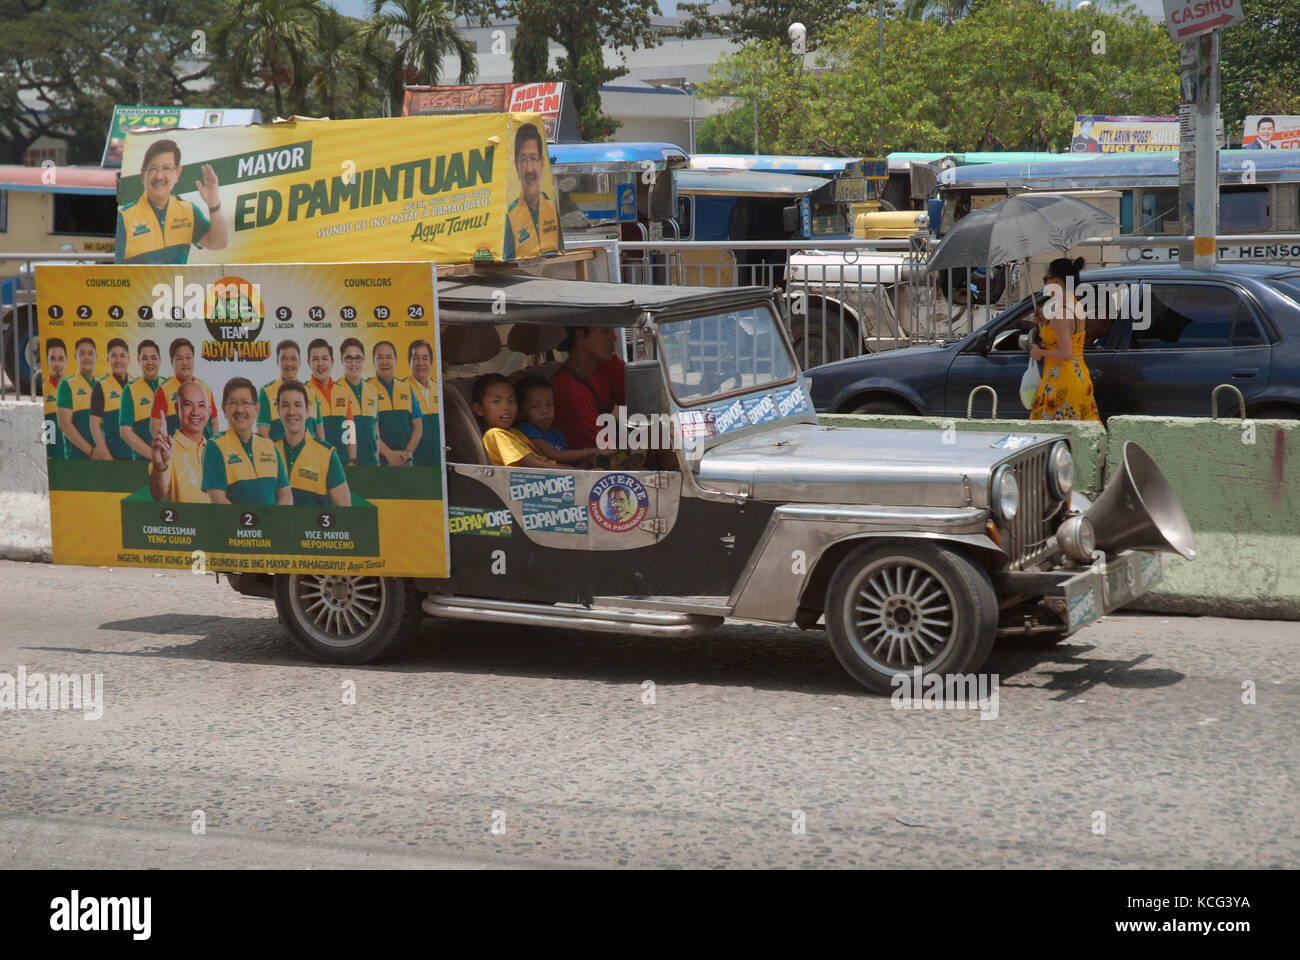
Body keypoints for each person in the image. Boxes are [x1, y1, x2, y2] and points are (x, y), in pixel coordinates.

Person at [116, 138, 227, 264]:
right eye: (153, 169)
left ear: (177, 173)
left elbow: (218, 243)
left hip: (177, 284)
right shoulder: (124, 218)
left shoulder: (188, 211)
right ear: (143, 174)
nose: (159, 176)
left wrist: (214, 205)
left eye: (166, 168)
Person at [1029, 256, 1101, 422]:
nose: (1045, 285)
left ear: (1058, 282)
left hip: (1063, 382)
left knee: (1056, 438)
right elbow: (1069, 335)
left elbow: (1065, 353)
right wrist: (1047, 322)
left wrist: (1039, 351)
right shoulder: (1075, 305)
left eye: (1046, 279)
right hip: (1079, 377)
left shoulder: (1062, 312)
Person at [202, 377, 292, 505]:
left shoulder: (269, 446)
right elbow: (218, 500)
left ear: (257, 409)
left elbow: (285, 493)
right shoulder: (215, 446)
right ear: (223, 409)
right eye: (233, 403)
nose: (239, 410)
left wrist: (274, 523)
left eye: (245, 402)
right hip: (234, 524)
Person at [273, 380, 351, 507]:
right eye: (285, 405)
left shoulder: (327, 454)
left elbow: (345, 508)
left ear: (308, 411)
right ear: (278, 411)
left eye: (298, 405)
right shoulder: (268, 452)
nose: (291, 412)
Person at [551, 326, 625, 454]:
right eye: (605, 331)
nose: (614, 337)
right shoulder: (568, 390)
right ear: (580, 336)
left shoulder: (607, 366)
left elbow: (643, 401)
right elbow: (604, 453)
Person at [502, 123, 561, 260]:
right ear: (517, 166)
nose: (529, 169)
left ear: (542, 163)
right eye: (524, 160)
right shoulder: (510, 218)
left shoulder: (553, 211)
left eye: (533, 159)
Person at [148, 379, 211, 503]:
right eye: (188, 404)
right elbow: (158, 494)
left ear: (209, 411)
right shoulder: (168, 449)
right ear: (178, 409)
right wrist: (161, 467)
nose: (195, 412)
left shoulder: (216, 449)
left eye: (201, 405)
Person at [473, 373, 555, 468]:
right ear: (478, 409)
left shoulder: (514, 432)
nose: (507, 407)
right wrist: (572, 471)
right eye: (496, 401)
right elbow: (534, 465)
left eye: (511, 401)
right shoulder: (495, 434)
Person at [514, 376, 595, 466]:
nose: (545, 411)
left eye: (549, 404)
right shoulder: (526, 430)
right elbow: (554, 456)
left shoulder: (557, 435)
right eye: (535, 406)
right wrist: (590, 451)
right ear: (520, 412)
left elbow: (565, 462)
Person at [370, 340, 422, 466]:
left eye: (389, 357)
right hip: (378, 462)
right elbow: (367, 429)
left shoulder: (406, 388)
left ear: (396, 360)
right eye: (380, 357)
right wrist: (388, 454)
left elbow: (418, 426)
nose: (385, 362)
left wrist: (407, 454)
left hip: (405, 460)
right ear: (373, 361)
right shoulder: (367, 388)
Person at [257, 339, 321, 442]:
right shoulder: (266, 392)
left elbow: (319, 431)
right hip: (280, 456)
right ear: (277, 361)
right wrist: (277, 456)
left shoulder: (311, 392)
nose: (289, 363)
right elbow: (263, 433)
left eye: (293, 359)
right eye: (284, 359)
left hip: (311, 456)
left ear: (300, 361)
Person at [305, 338, 356, 465]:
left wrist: (352, 460)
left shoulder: (343, 392)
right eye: (315, 359)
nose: (320, 364)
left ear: (332, 362)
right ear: (308, 363)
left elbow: (349, 430)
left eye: (324, 358)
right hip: (316, 464)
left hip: (343, 463)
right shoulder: (303, 393)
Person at [151, 338, 217, 439]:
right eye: (179, 358)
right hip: (178, 451)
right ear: (171, 362)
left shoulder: (204, 388)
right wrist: (166, 448)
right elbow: (155, 425)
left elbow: (214, 421)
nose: (185, 362)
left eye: (188, 357)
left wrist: (213, 445)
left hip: (203, 451)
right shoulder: (164, 389)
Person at [339, 337, 381, 466]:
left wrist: (377, 458)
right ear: (342, 361)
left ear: (364, 361)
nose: (353, 363)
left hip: (372, 463)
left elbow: (375, 428)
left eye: (358, 358)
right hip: (347, 465)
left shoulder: (372, 390)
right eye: (349, 358)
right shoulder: (336, 390)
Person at [89, 337, 134, 460]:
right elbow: (94, 426)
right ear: (108, 359)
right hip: (115, 457)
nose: (118, 360)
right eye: (114, 356)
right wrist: (108, 458)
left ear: (128, 359)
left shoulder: (137, 384)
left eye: (122, 356)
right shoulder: (101, 386)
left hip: (138, 457)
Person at [56, 337, 101, 460]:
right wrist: (91, 451)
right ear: (75, 357)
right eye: (82, 353)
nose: (87, 357)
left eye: (90, 353)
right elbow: (64, 423)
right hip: (78, 459)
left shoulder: (102, 385)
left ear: (96, 357)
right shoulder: (67, 385)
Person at [119, 339, 163, 460]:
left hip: (171, 461)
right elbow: (125, 431)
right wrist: (154, 455)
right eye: (145, 358)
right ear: (138, 361)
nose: (150, 362)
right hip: (143, 461)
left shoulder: (168, 385)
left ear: (160, 360)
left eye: (153, 358)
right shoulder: (130, 389)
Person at [405, 339, 439, 467]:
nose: (420, 363)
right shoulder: (401, 388)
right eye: (415, 358)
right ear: (409, 361)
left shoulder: (438, 389)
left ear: (431, 362)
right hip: (414, 461)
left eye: (425, 358)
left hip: (437, 461)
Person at [36, 338, 67, 459]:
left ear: (66, 361)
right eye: (52, 359)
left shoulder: (75, 389)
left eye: (61, 358)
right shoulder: (45, 389)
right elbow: (47, 428)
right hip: (55, 458)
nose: (57, 364)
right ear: (47, 361)